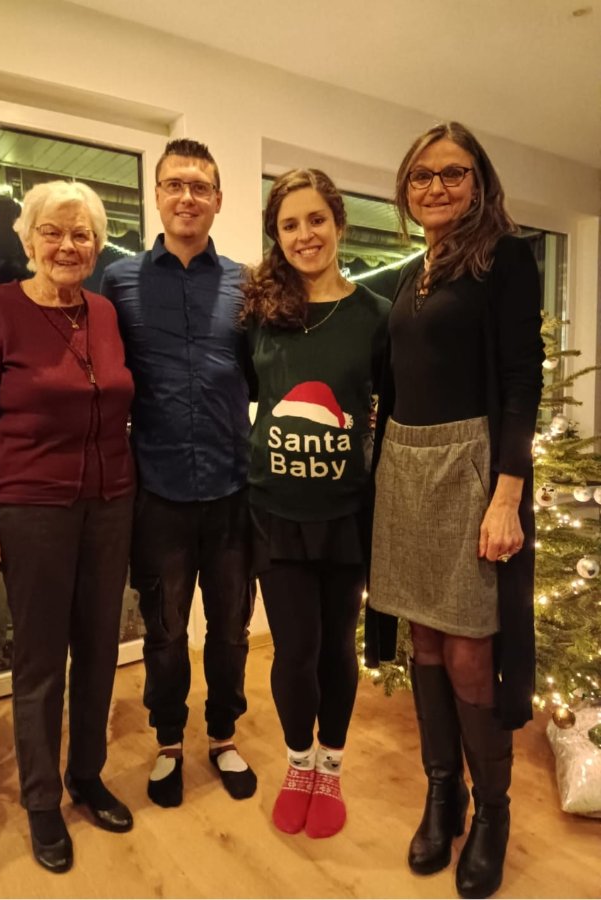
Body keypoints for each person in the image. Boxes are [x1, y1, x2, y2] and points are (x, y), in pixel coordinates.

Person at [366, 122, 543, 898]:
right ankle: (442, 793)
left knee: (471, 644)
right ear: (405, 189)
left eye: (453, 173)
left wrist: (506, 495)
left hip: (470, 468)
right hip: (404, 467)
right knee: (425, 638)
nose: (435, 186)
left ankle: (492, 813)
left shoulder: (505, 259)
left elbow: (521, 382)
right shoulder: (414, 272)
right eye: (421, 176)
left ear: (478, 183)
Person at [0, 181, 135, 874]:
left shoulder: (104, 312)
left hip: (110, 503)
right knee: (39, 660)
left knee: (100, 648)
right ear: (28, 240)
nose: (66, 245)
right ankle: (41, 799)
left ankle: (86, 775)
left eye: (81, 234)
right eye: (52, 232)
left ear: (96, 244)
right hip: (32, 507)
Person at [101, 139, 257, 808]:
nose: (187, 196)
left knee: (230, 628)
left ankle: (222, 734)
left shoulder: (248, 285)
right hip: (157, 491)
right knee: (164, 632)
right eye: (175, 184)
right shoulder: (119, 283)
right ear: (157, 194)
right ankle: (168, 742)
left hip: (233, 489)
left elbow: (263, 375)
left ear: (217, 200)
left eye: (200, 186)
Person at [242, 169, 390, 839]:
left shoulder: (375, 317)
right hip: (274, 512)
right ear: (276, 236)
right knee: (293, 650)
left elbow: (391, 409)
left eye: (316, 219)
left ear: (338, 223)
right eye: (290, 224)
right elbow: (249, 393)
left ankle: (329, 767)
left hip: (347, 516)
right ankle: (297, 763)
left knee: (335, 648)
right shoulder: (261, 316)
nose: (305, 235)